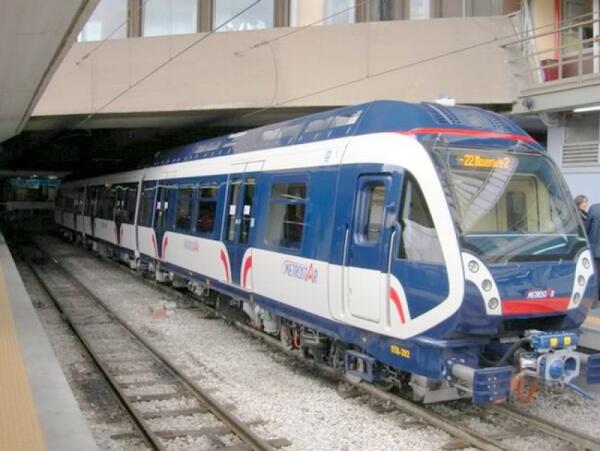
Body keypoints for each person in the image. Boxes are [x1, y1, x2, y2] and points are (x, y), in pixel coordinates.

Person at [586, 203, 600, 304]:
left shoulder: (594, 209)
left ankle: (594, 301)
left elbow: (586, 228)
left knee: (596, 275)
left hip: (595, 249)